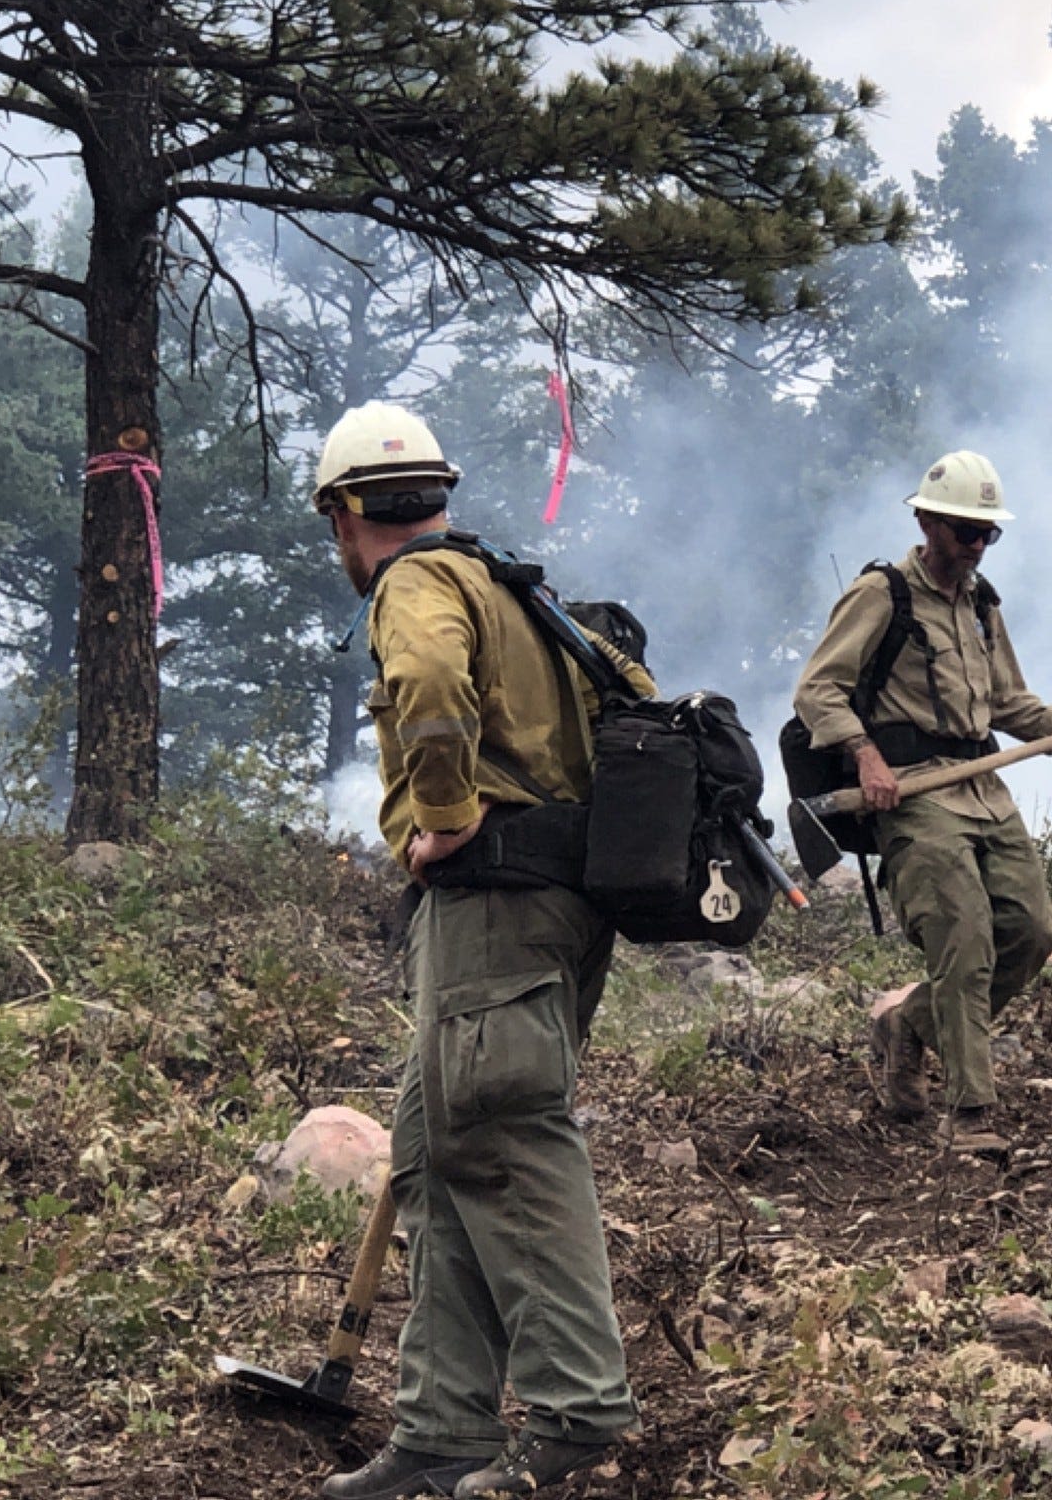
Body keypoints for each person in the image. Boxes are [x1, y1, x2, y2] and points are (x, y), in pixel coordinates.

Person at [313, 403, 646, 1500]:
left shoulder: (418, 585)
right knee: (434, 1151)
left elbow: (424, 688)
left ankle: (574, 1413)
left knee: (501, 1135)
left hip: (494, 901)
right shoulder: (506, 582)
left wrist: (443, 814)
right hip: (552, 904)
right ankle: (443, 1427)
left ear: (345, 513)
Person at [792, 451, 1052, 1156]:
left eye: (988, 534)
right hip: (912, 791)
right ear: (926, 522)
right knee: (964, 937)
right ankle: (970, 1113)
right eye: (963, 531)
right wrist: (866, 756)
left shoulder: (983, 604)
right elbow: (817, 691)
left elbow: (1010, 702)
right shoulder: (880, 594)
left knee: (1033, 931)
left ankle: (908, 1023)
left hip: (981, 785)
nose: (976, 546)